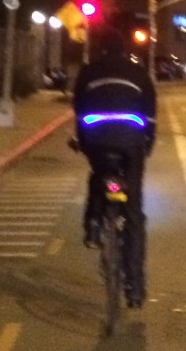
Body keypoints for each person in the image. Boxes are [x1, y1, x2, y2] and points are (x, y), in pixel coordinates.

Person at [72, 24, 157, 307]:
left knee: (97, 175)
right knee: (133, 214)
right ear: (125, 49)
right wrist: (147, 144)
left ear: (101, 48)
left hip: (96, 136)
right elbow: (151, 114)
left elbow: (79, 110)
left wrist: (83, 142)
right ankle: (134, 287)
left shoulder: (89, 71)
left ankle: (94, 226)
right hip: (131, 140)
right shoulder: (139, 73)